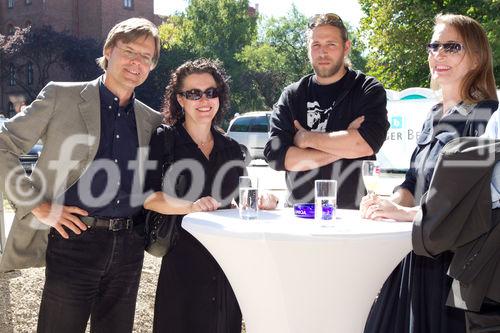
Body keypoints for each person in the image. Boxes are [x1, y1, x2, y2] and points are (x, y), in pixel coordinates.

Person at [0, 18, 162, 333]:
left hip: (129, 247)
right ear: (109, 51)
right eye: (129, 51)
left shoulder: (150, 120)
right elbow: (3, 146)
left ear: (152, 66)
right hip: (73, 241)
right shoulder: (61, 97)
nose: (136, 62)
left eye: (146, 57)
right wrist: (36, 204)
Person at [360, 14, 498, 333]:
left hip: (456, 271)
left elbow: (473, 205)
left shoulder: (486, 117)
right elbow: (412, 181)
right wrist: (387, 203)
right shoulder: (434, 114)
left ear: (476, 57)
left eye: (452, 46)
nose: (439, 54)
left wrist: (406, 213)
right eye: (434, 46)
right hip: (415, 258)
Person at [143, 58, 278, 333]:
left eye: (210, 92)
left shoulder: (232, 149)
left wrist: (264, 200)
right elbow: (148, 197)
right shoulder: (165, 139)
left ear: (219, 97)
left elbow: (243, 197)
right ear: (180, 100)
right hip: (182, 264)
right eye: (193, 93)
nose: (203, 100)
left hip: (226, 267)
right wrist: (190, 206)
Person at [264, 13, 389, 209]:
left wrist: (306, 139)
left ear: (346, 47)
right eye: (316, 45)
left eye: (331, 44)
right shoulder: (292, 95)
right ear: (308, 49)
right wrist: (345, 146)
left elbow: (367, 143)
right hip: (300, 214)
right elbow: (278, 157)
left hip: (352, 216)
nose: (323, 52)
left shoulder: (366, 89)